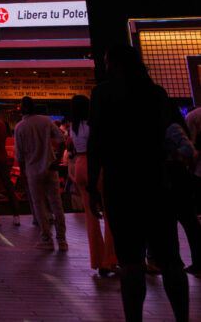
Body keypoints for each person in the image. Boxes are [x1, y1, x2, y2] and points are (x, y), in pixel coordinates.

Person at [88, 45, 188, 322]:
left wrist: (91, 185)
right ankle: (182, 317)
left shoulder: (103, 95)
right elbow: (172, 135)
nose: (105, 67)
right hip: (156, 182)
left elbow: (96, 142)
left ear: (116, 64)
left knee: (131, 260)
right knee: (170, 258)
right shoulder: (156, 94)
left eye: (108, 62)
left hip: (121, 184)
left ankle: (134, 319)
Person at [67, 95, 117, 276]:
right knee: (109, 211)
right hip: (95, 166)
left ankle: (96, 259)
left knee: (90, 216)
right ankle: (109, 260)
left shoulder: (74, 128)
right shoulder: (92, 125)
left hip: (79, 166)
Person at [15, 96, 67, 251]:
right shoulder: (46, 121)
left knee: (39, 205)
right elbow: (61, 140)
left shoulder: (20, 127)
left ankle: (46, 238)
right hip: (50, 167)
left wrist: (23, 173)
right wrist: (57, 159)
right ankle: (62, 240)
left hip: (33, 170)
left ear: (23, 108)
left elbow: (19, 155)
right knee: (56, 204)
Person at [163, 104, 201, 278]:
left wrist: (172, 154)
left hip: (176, 178)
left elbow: (188, 149)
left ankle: (196, 262)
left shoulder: (171, 128)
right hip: (176, 177)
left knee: (187, 221)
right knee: (187, 221)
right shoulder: (173, 126)